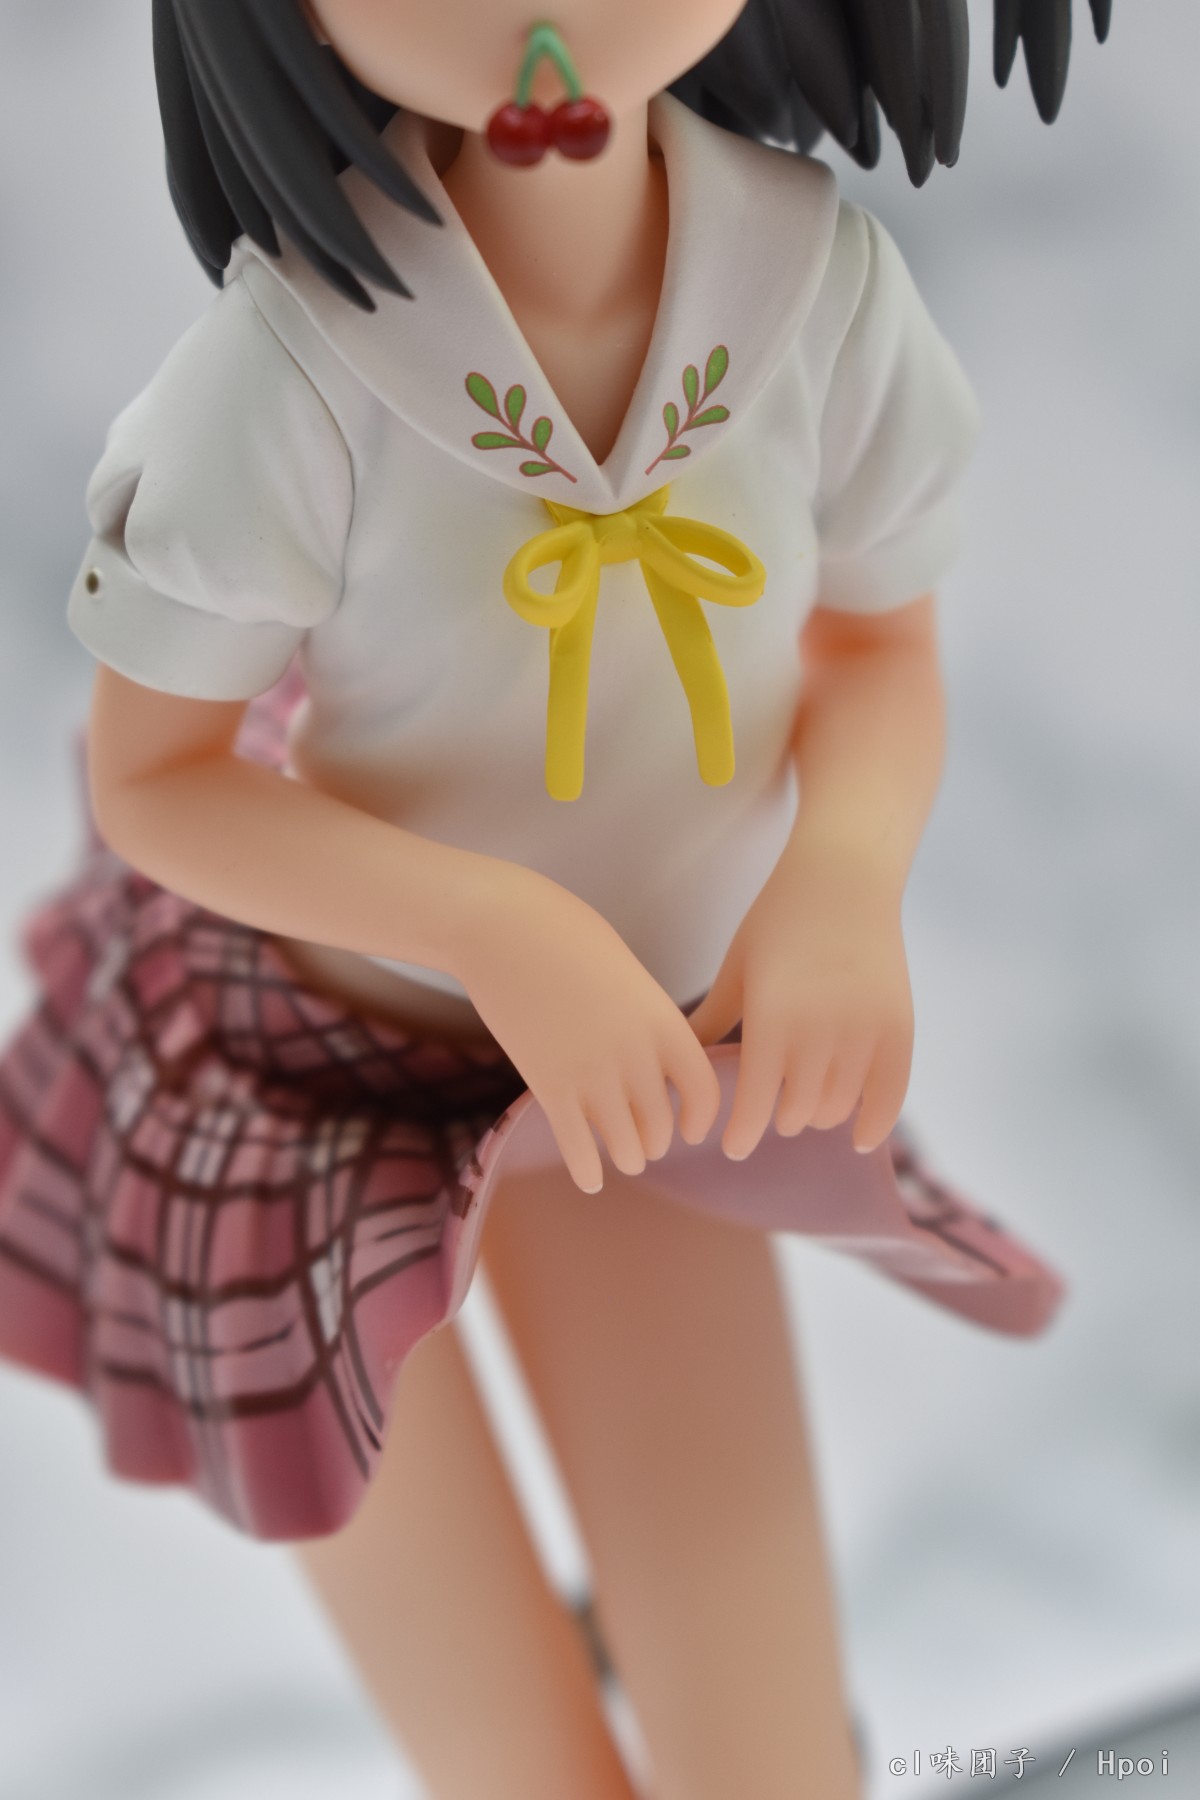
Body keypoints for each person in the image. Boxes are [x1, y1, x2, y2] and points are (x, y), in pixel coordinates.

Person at [0, 5, 1110, 1797]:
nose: (533, 20)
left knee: (765, 1744)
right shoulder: (295, 364)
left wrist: (840, 877)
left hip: (644, 1061)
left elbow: (876, 639)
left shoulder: (808, 284)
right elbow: (160, 778)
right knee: (508, 1755)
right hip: (310, 1090)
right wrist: (497, 927)